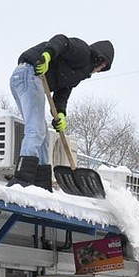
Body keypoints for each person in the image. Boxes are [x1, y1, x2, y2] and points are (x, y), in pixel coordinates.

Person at [8, 35, 114, 190]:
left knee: (42, 134)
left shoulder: (78, 74)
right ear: (99, 59)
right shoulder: (83, 52)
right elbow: (61, 40)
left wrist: (61, 114)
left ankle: (42, 184)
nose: (100, 70)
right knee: (36, 130)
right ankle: (22, 178)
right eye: (103, 65)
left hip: (24, 78)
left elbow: (62, 93)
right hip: (30, 73)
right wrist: (46, 56)